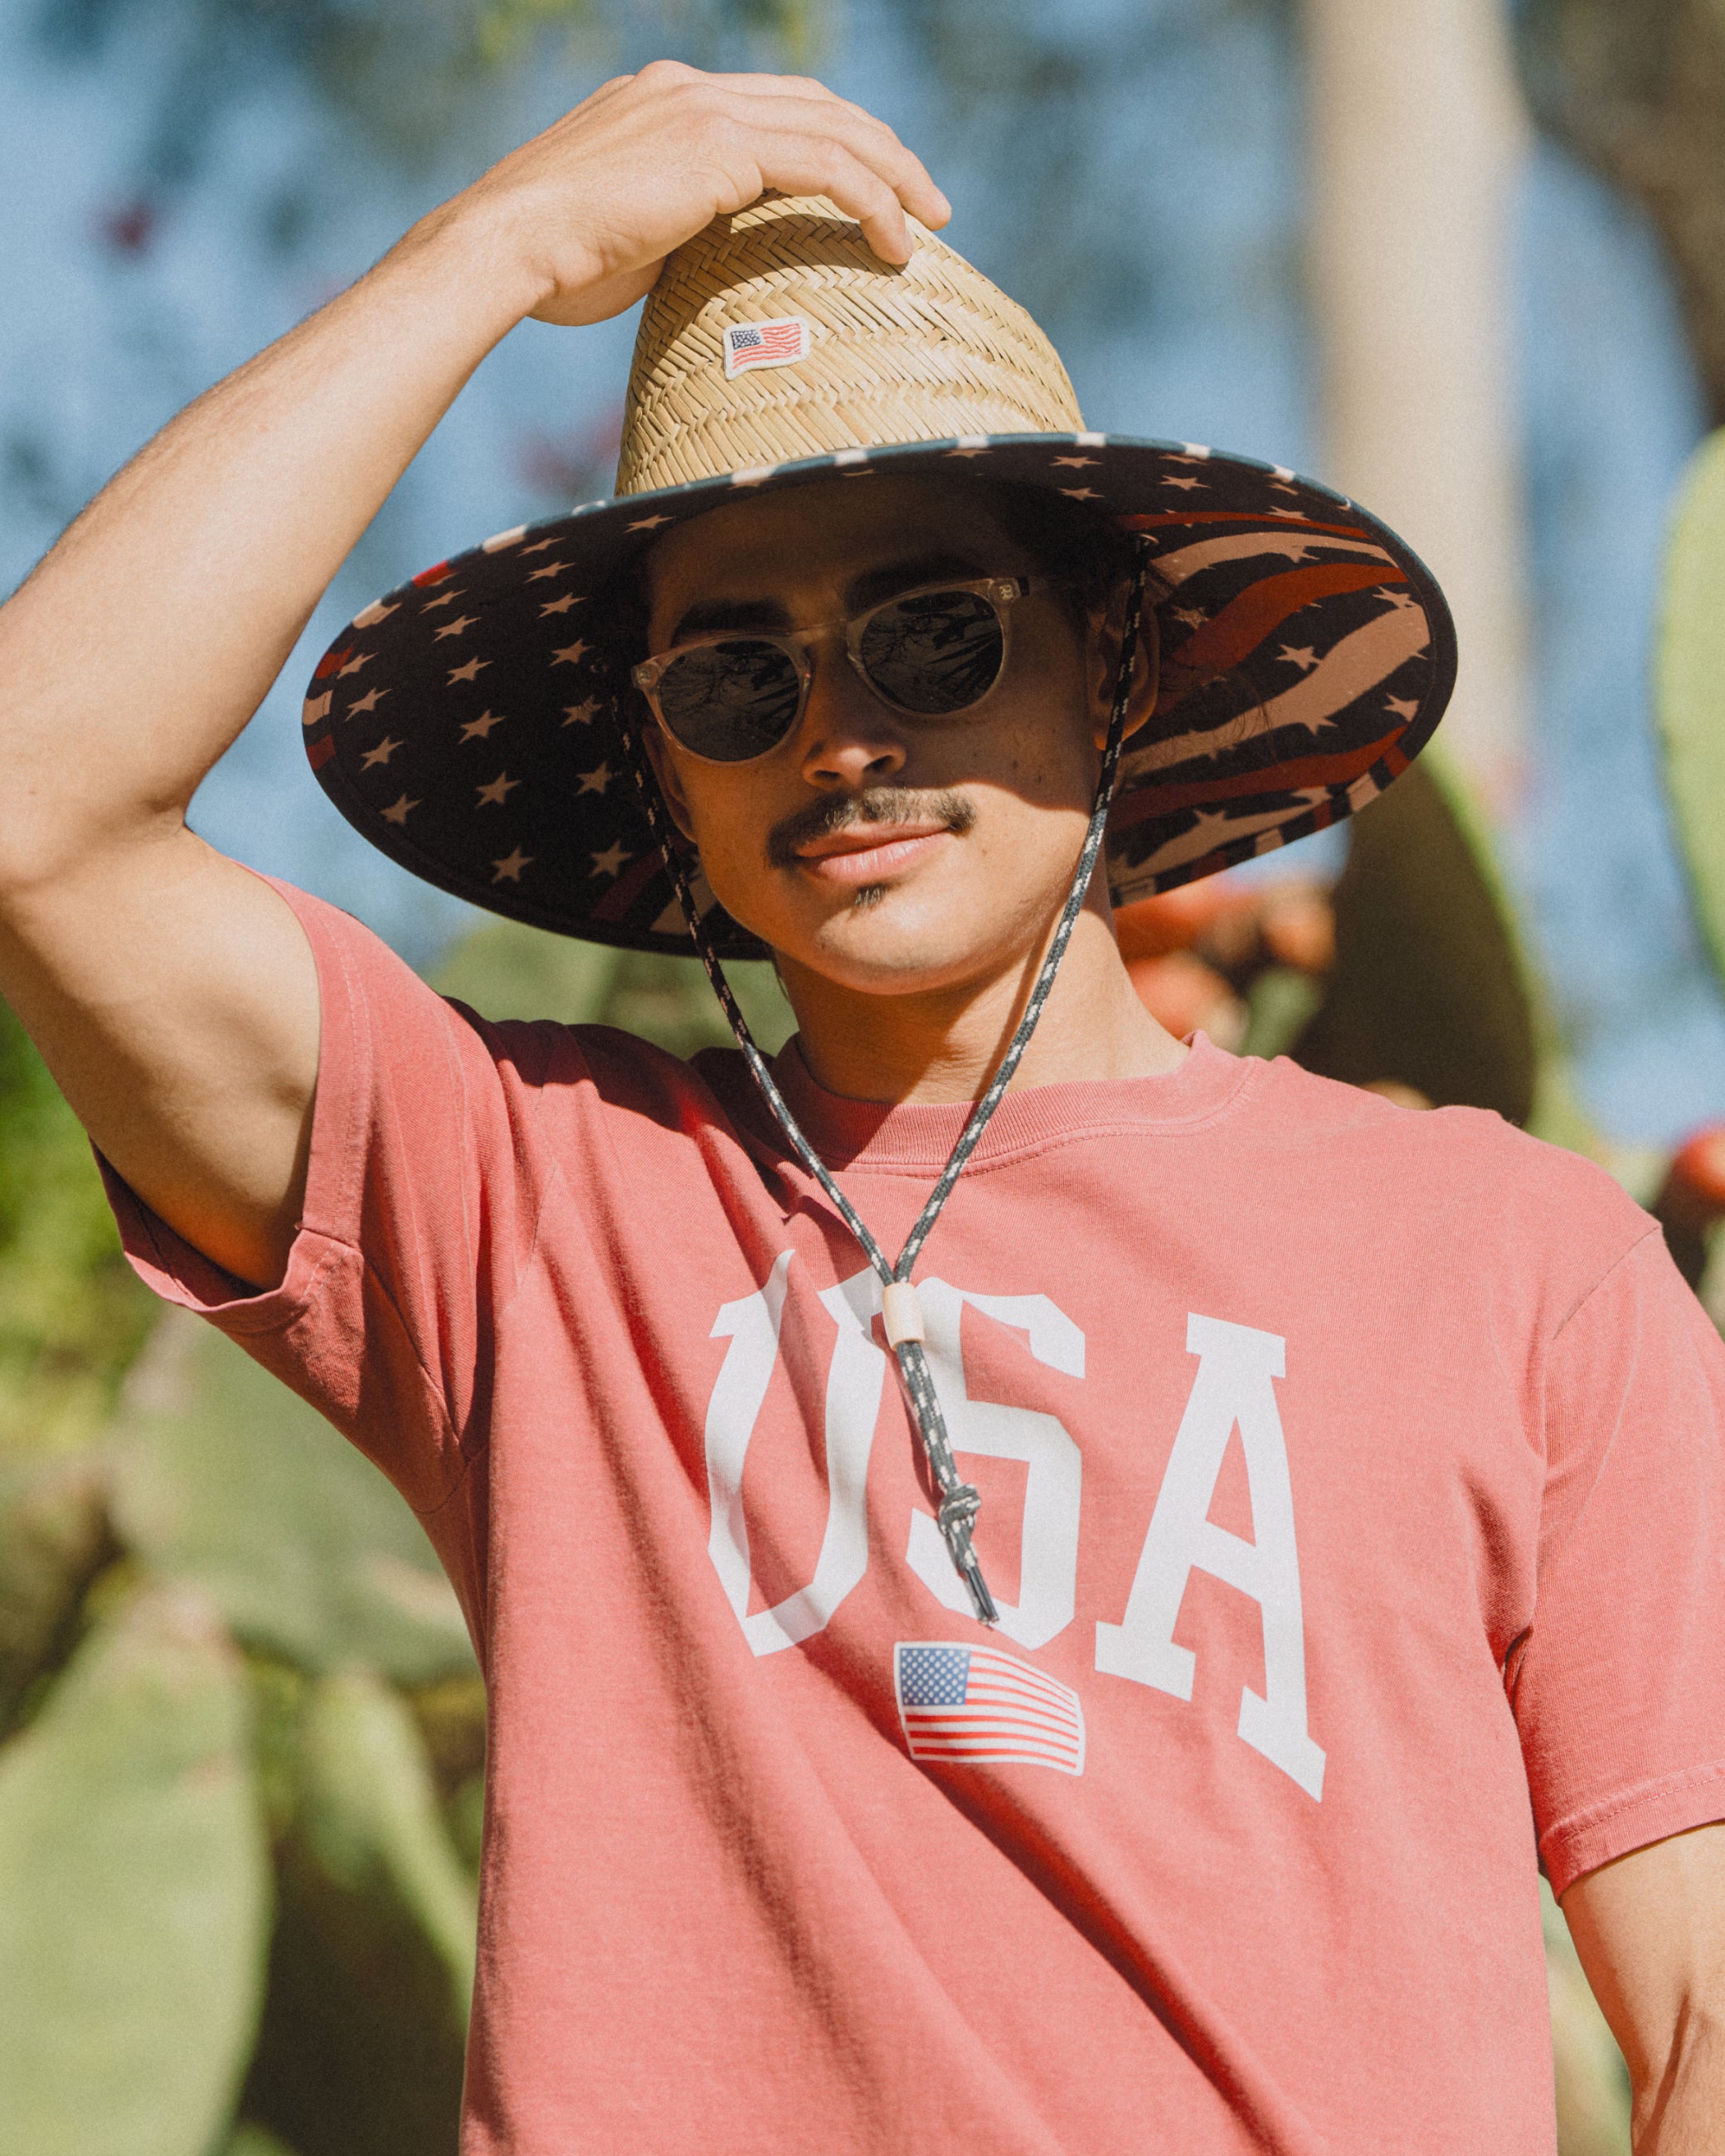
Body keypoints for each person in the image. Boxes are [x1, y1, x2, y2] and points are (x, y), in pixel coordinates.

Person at [1, 60, 1721, 2155]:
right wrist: (495, 248)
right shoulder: (532, 1211)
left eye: (929, 632)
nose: (836, 735)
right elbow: (36, 805)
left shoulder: (1513, 1258)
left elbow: (1702, 1996)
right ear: (663, 766)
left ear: (1110, 656)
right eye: (736, 676)